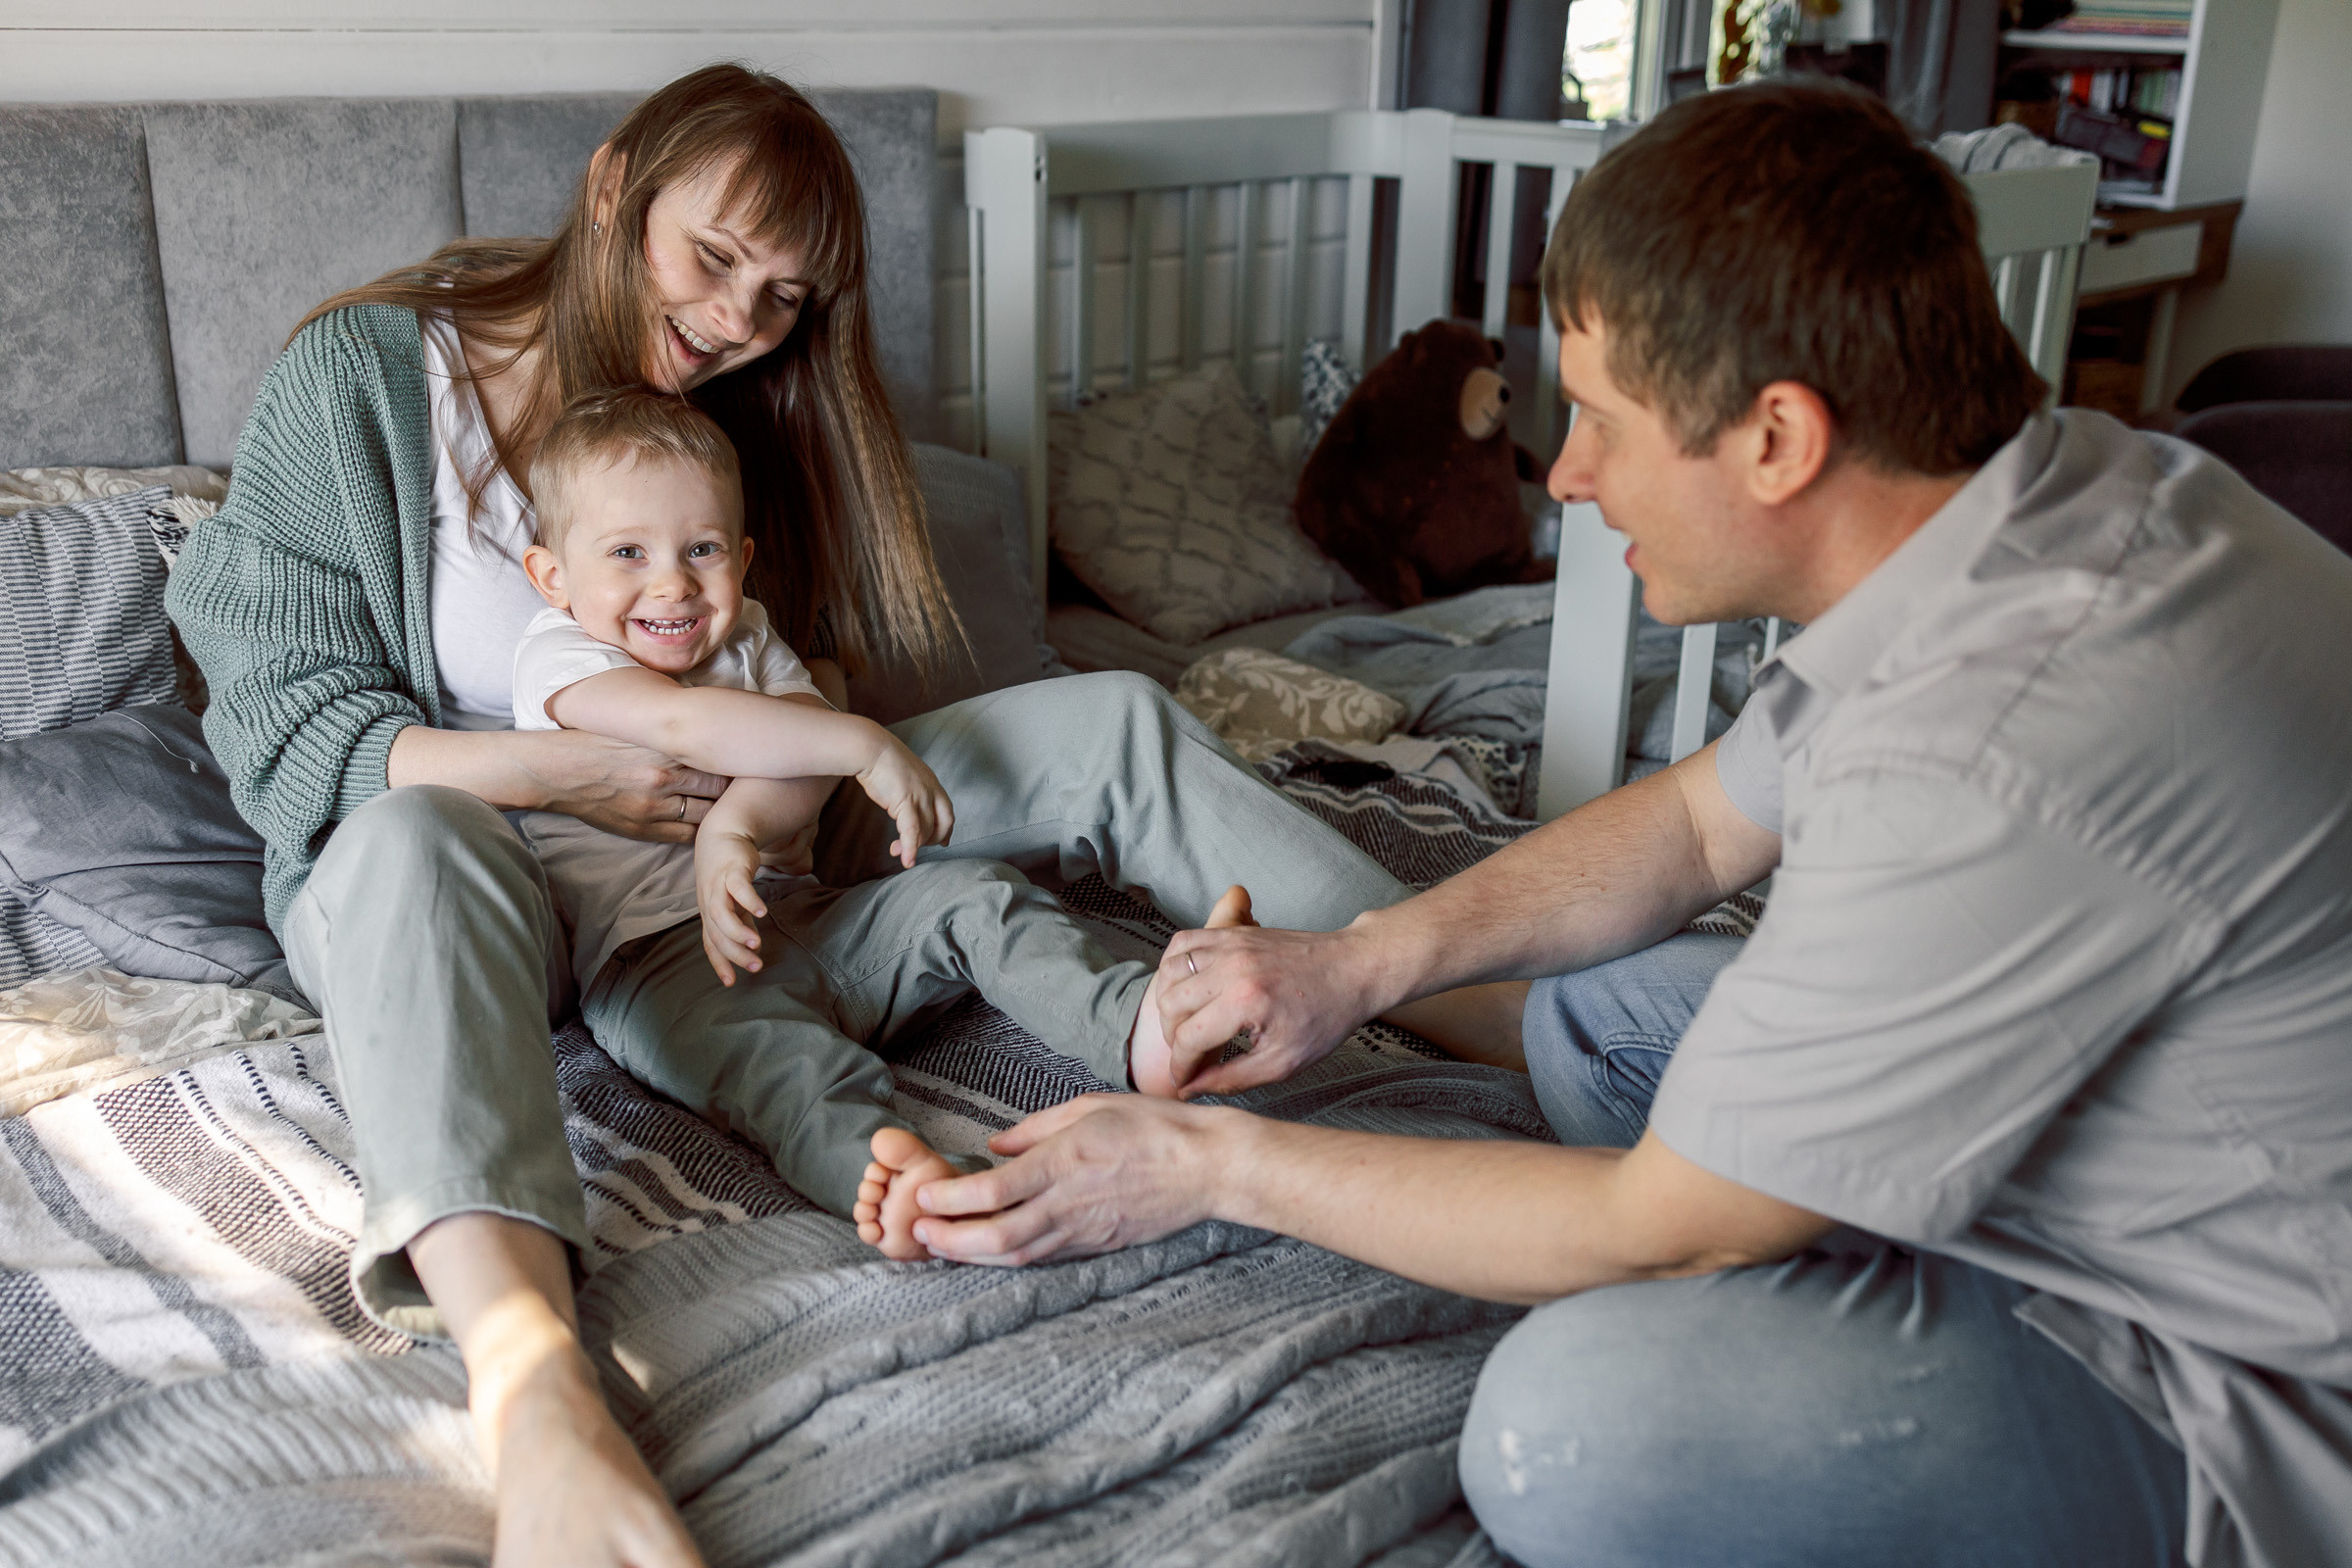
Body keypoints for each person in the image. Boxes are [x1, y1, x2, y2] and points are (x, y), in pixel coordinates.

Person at [907, 82, 2352, 1568]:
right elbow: (1692, 831)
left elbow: (1666, 1227)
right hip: (2107, 1135)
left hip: (2239, 1372)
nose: (1567, 474)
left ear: (1779, 439)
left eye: (1599, 418)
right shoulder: (2063, 496)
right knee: (1600, 1013)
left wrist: (1209, 1167)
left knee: (1574, 1431)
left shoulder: (2002, 737)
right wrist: (1361, 963)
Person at [165, 64, 1507, 1568]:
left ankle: (1485, 989)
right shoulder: (364, 382)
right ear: (616, 186)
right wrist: (560, 775)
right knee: (420, 841)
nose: (743, 321)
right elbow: (288, 730)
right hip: (485, 882)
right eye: (716, 259)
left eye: (787, 297)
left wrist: (771, 802)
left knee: (1112, 715)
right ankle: (535, 1385)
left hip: (737, 849)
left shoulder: (723, 419)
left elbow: (797, 690)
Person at [508, 386, 1219, 1254]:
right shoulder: (562, 654)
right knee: (784, 1072)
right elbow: (679, 724)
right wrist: (859, 740)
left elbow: (798, 769)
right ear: (552, 575)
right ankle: (899, 1180)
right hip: (666, 968)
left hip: (816, 917)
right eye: (627, 552)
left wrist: (740, 826)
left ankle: (1139, 1028)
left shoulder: (752, 641)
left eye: (703, 550)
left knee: (974, 897)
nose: (673, 584)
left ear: (743, 556)